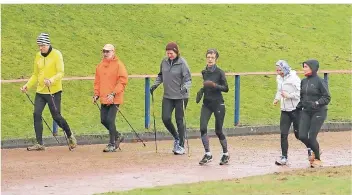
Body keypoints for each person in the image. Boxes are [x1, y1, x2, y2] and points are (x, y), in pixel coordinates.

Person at [20, 33, 77, 151]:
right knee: (36, 114)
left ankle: (70, 134)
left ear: (48, 44)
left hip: (54, 91)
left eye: (42, 45)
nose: (40, 48)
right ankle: (39, 143)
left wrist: (51, 80)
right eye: (39, 46)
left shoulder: (57, 55)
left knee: (56, 116)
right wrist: (27, 85)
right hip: (40, 91)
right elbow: (36, 74)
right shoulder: (38, 56)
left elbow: (61, 72)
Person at [150, 42, 192, 155]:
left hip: (181, 96)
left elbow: (188, 79)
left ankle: (181, 145)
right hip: (168, 96)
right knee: (165, 118)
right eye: (168, 53)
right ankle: (177, 137)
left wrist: (185, 88)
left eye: (171, 53)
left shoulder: (182, 63)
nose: (169, 55)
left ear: (176, 52)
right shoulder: (164, 62)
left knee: (179, 120)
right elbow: (160, 76)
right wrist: (155, 85)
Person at [196, 49, 230, 165]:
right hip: (207, 104)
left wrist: (214, 85)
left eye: (212, 57)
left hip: (218, 103)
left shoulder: (220, 72)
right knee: (202, 127)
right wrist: (201, 91)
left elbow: (226, 88)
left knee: (218, 130)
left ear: (216, 59)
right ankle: (208, 154)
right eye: (208, 57)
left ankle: (225, 154)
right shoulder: (204, 72)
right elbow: (206, 85)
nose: (210, 59)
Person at [93, 44, 128, 152]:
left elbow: (122, 81)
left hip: (115, 98)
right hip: (104, 97)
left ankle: (112, 143)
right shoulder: (100, 66)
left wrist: (113, 93)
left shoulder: (119, 65)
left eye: (108, 51)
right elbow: (97, 82)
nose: (105, 53)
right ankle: (117, 135)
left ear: (113, 52)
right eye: (104, 51)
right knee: (103, 120)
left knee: (110, 120)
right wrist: (96, 94)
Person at [273, 60, 308, 165]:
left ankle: (312, 147)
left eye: (280, 70)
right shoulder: (279, 78)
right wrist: (276, 99)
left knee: (299, 135)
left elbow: (300, 93)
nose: (278, 72)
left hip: (295, 109)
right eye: (277, 70)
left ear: (285, 68)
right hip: (284, 110)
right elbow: (280, 90)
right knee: (283, 134)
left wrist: (289, 96)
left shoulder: (294, 78)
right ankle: (284, 157)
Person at [297, 59, 331, 168]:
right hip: (306, 111)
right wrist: (299, 106)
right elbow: (302, 97)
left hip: (319, 111)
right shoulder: (303, 81)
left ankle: (318, 159)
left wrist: (316, 103)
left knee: (311, 137)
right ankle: (316, 149)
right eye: (303, 66)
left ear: (313, 68)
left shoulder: (320, 81)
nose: (304, 69)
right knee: (301, 135)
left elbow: (327, 97)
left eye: (306, 67)